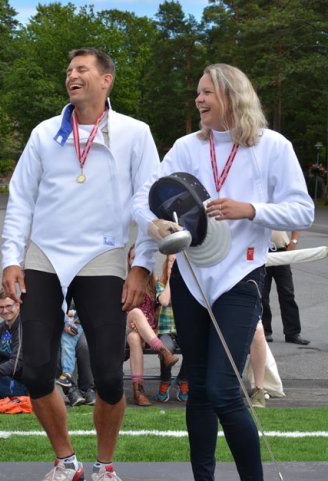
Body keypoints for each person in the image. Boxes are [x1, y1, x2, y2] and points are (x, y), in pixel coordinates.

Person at [132, 63, 314, 481]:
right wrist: (152, 224)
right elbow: (143, 197)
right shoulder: (184, 147)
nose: (199, 99)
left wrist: (250, 209)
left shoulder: (273, 146)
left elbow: (302, 208)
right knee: (197, 388)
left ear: (233, 96)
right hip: (191, 280)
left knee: (222, 388)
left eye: (207, 92)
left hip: (241, 277)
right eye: (198, 92)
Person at [1, 47, 160, 481]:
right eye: (69, 69)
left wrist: (141, 266)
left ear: (106, 80)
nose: (72, 75)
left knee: (109, 376)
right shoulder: (44, 133)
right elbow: (21, 199)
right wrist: (11, 259)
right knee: (35, 369)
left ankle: (105, 465)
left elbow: (149, 202)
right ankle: (66, 460)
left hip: (103, 254)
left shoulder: (135, 132)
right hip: (46, 253)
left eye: (82, 69)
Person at [125, 247, 179, 407]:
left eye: (140, 257)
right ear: (128, 261)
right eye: (133, 257)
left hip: (148, 333)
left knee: (135, 338)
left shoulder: (152, 283)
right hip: (128, 326)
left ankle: (138, 391)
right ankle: (162, 350)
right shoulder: (125, 282)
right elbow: (122, 310)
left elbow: (158, 309)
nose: (136, 261)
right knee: (134, 314)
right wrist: (132, 320)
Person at [261, 230, 309, 345]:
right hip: (262, 253)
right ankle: (264, 331)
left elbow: (296, 225)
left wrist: (293, 241)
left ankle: (292, 334)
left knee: (287, 294)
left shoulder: (281, 211)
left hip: (282, 252)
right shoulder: (259, 211)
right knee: (262, 295)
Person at [154, 255, 188, 403]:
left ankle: (183, 379)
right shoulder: (160, 285)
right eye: (171, 262)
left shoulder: (188, 285)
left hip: (184, 330)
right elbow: (164, 300)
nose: (173, 265)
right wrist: (170, 278)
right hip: (166, 331)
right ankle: (165, 380)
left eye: (176, 262)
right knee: (166, 347)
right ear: (166, 265)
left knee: (193, 346)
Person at [57, 307, 95, 407]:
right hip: (58, 324)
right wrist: (64, 323)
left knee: (84, 346)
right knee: (64, 346)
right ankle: (71, 389)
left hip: (82, 323)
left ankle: (87, 389)